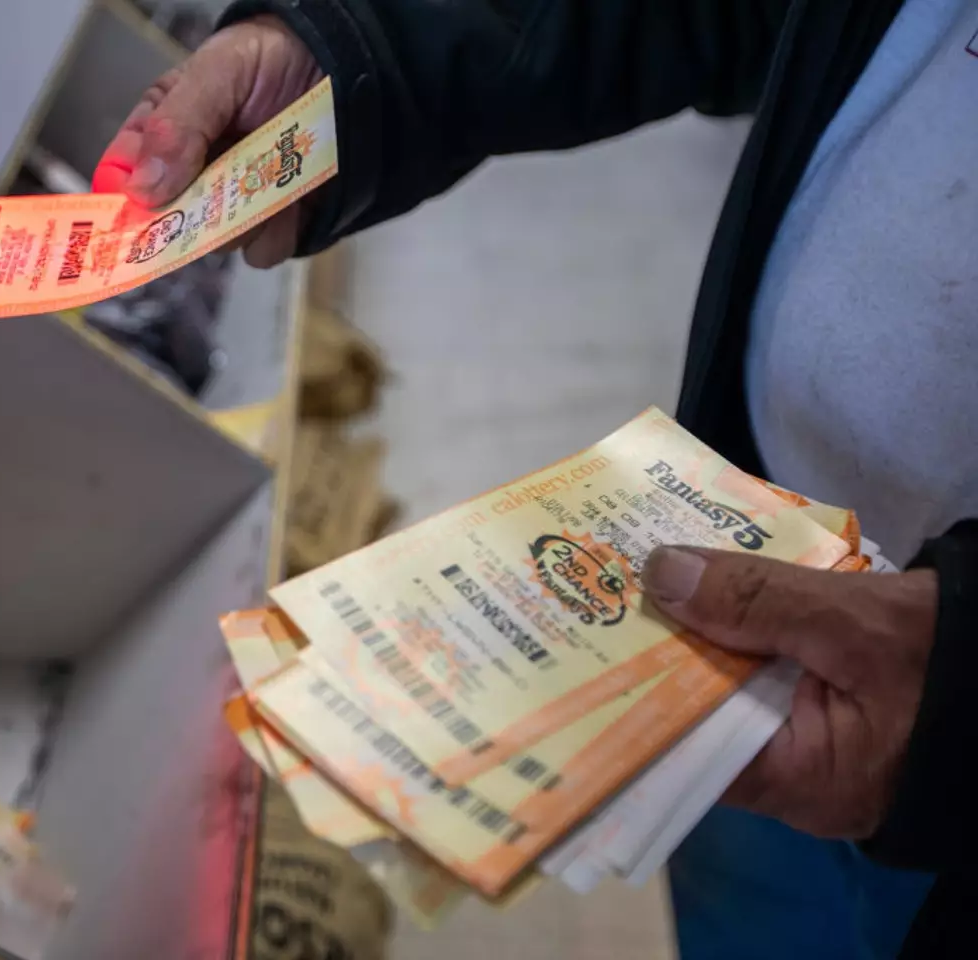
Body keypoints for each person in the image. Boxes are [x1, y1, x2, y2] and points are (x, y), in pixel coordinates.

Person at [98, 2, 978, 957]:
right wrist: (352, 54)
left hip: (949, 771)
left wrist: (966, 695)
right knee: (747, 907)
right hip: (754, 597)